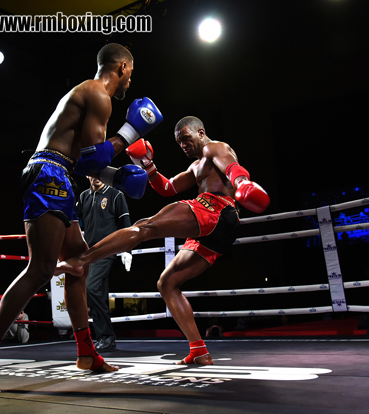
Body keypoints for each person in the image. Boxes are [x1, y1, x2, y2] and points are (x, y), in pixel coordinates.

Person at [0, 43, 163, 393]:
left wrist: (119, 178)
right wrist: (131, 132)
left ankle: (87, 353)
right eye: (131, 72)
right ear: (121, 67)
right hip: (49, 174)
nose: (131, 80)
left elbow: (86, 161)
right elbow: (90, 160)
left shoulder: (91, 96)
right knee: (41, 269)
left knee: (78, 261)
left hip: (60, 174)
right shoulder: (97, 94)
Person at [57, 116, 269, 365]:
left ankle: (81, 259)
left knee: (143, 227)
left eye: (186, 139)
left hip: (216, 209)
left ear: (201, 132)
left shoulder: (215, 147)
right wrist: (148, 166)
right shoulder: (196, 166)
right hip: (221, 229)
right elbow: (168, 187)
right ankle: (199, 350)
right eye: (179, 143)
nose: (183, 146)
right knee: (167, 282)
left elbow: (232, 167)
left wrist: (243, 183)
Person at [78, 175, 132, 352]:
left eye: (99, 173)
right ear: (87, 175)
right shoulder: (84, 196)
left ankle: (106, 335)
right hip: (89, 252)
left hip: (107, 249)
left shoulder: (116, 194)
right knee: (99, 293)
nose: (96, 178)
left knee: (91, 288)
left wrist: (127, 249)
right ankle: (106, 338)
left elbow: (125, 224)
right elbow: (75, 222)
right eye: (92, 174)